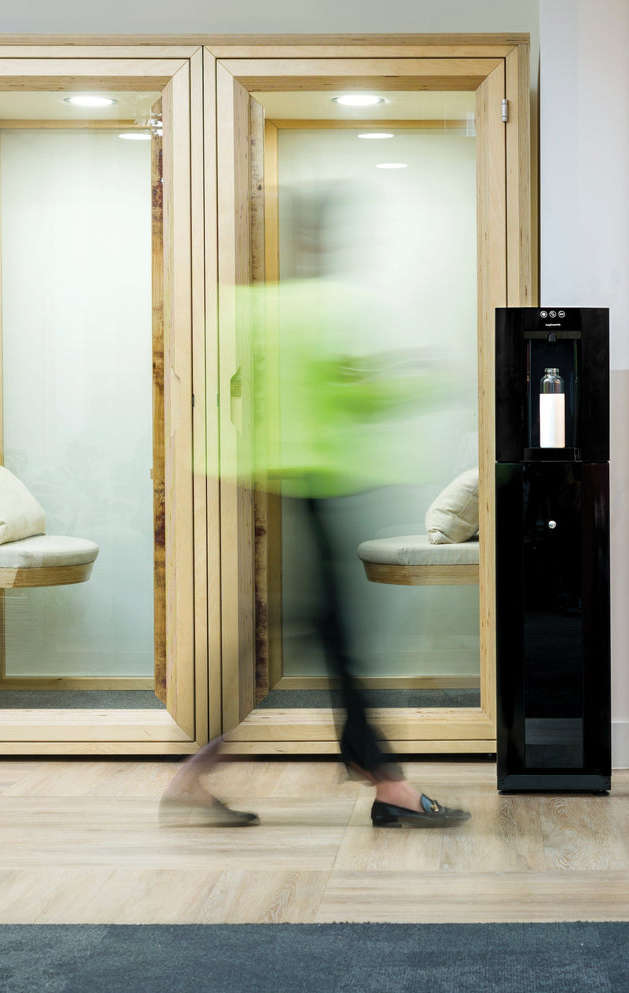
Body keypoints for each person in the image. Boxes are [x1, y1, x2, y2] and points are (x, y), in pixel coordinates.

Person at [160, 184, 470, 830]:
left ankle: (376, 775)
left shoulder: (257, 310)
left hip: (290, 486)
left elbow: (234, 396)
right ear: (316, 239)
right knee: (326, 637)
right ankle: (380, 781)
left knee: (319, 635)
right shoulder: (324, 310)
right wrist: (424, 378)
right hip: (325, 490)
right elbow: (355, 397)